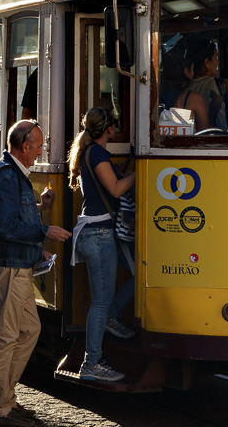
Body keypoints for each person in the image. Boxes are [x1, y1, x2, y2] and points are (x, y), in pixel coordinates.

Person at [0, 120, 69, 426]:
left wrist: (39, 212)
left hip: (19, 263)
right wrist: (46, 230)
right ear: (24, 147)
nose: (40, 151)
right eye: (38, 146)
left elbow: (14, 218)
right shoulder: (8, 177)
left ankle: (6, 398)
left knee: (29, 330)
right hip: (10, 266)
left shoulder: (15, 175)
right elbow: (6, 226)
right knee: (6, 337)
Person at [67, 108, 136, 383]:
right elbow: (117, 189)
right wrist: (140, 172)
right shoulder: (96, 153)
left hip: (97, 234)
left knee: (138, 272)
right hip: (99, 236)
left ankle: (112, 314)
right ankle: (91, 363)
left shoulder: (91, 152)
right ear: (108, 129)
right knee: (100, 302)